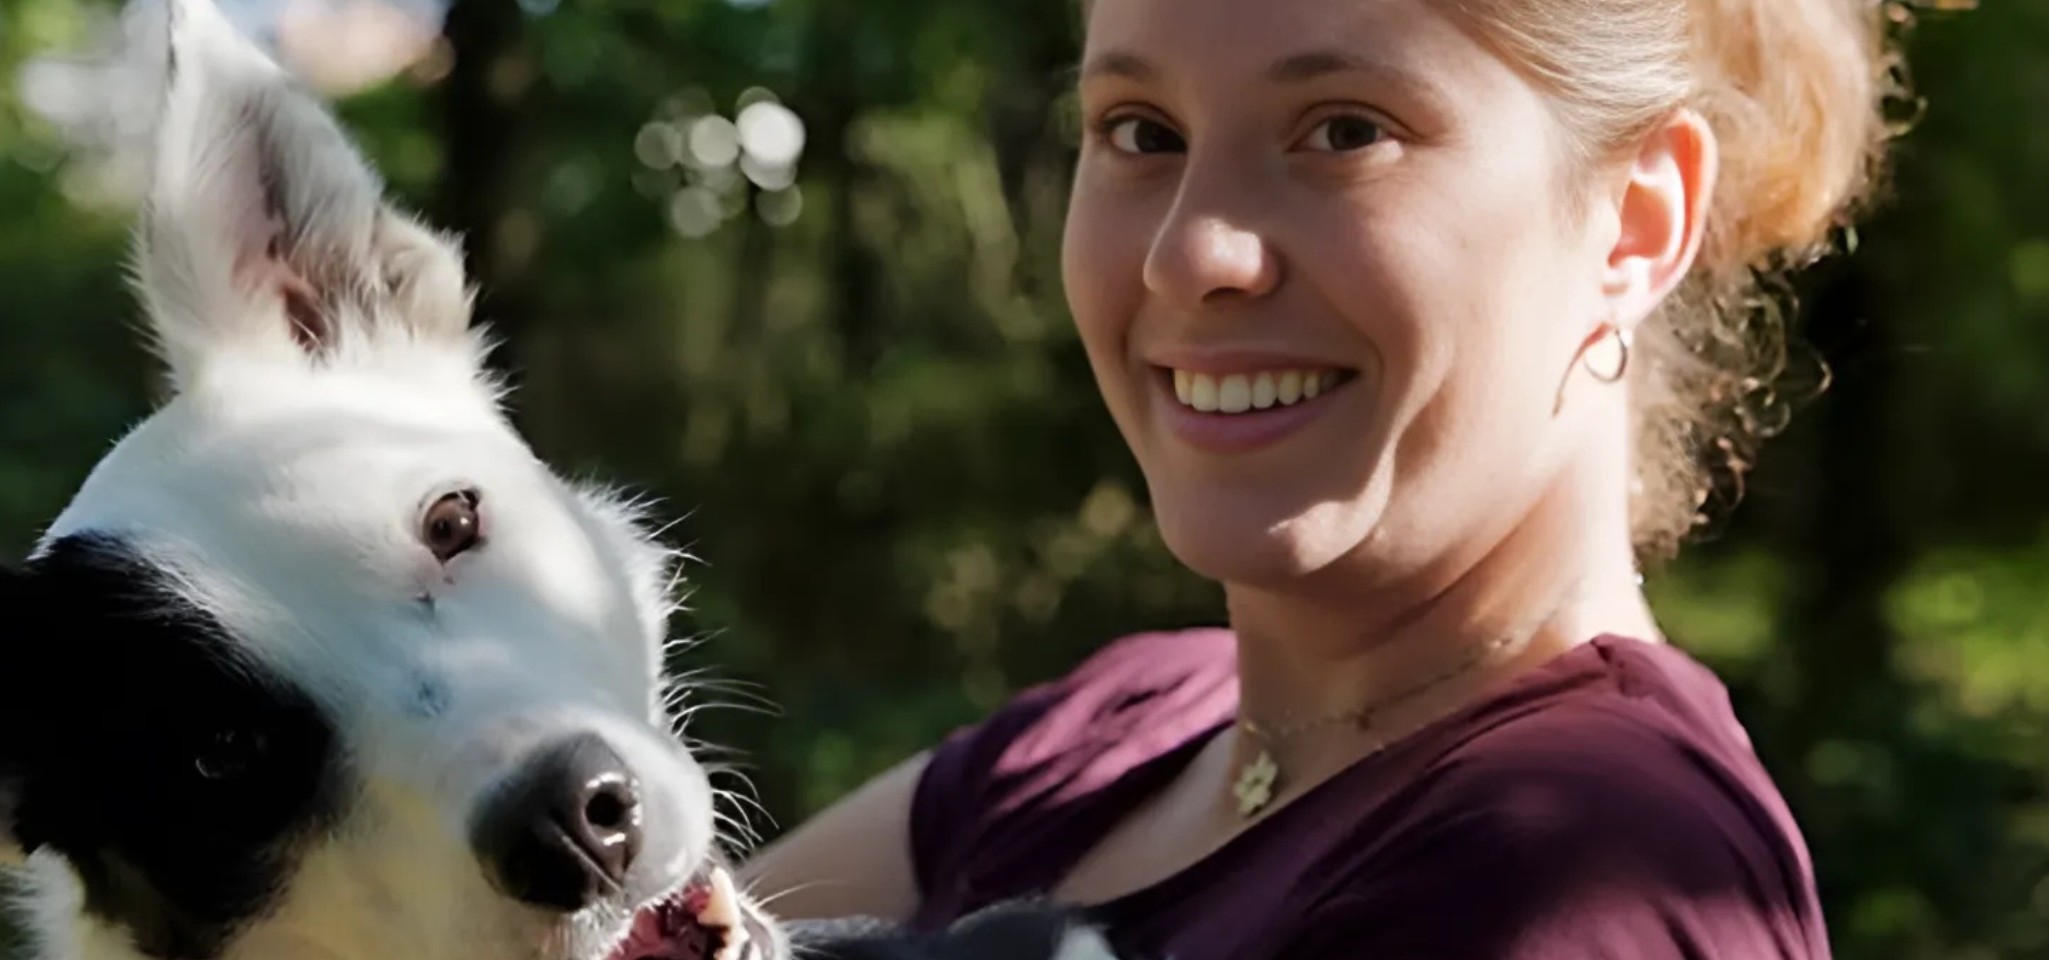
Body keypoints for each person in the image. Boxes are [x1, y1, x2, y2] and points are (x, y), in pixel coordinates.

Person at [744, 0, 1902, 957]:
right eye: (1142, 132)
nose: (1193, 254)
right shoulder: (1122, 728)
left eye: (1346, 131)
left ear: (1636, 224)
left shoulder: (1582, 864)